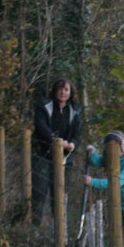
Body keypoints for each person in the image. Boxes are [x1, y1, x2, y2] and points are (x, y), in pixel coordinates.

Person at [32, 77, 82, 226]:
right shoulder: (44, 106)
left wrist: (73, 144)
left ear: (71, 92)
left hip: (64, 159)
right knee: (39, 192)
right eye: (60, 89)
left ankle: (59, 231)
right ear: (55, 90)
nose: (63, 92)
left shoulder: (75, 111)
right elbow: (41, 128)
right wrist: (57, 141)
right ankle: (34, 228)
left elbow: (77, 134)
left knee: (59, 195)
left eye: (66, 89)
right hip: (43, 155)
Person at [84, 131, 124, 232]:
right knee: (121, 236)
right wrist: (92, 152)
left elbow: (116, 182)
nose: (113, 151)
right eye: (109, 148)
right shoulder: (115, 157)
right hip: (122, 204)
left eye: (115, 147)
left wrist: (93, 182)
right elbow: (99, 161)